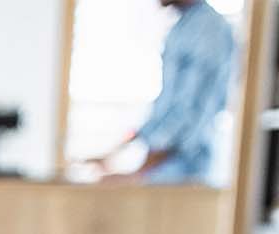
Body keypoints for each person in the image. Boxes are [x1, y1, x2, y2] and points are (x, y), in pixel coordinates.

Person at [86, 0, 237, 184]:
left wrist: (137, 174)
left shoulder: (209, 30)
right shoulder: (184, 26)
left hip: (187, 178)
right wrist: (113, 152)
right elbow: (165, 109)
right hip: (163, 172)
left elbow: (190, 117)